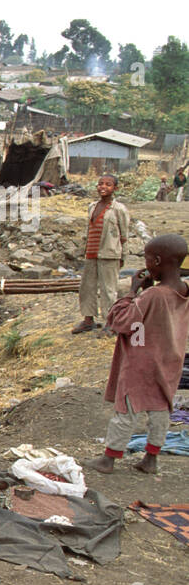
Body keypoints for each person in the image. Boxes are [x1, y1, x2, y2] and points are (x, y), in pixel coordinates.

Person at [88, 234, 189, 475]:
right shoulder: (184, 290)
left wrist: (132, 291)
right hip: (170, 360)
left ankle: (109, 459)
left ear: (155, 261)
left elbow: (122, 322)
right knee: (161, 407)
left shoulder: (153, 295)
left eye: (146, 258)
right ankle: (151, 458)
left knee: (127, 408)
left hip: (142, 361)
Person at [73, 174, 129, 335]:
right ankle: (88, 320)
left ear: (115, 188)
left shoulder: (119, 209)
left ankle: (110, 323)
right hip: (91, 253)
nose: (103, 187)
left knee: (108, 290)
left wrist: (123, 256)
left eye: (108, 184)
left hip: (109, 254)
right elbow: (89, 230)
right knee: (86, 287)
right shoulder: (92, 206)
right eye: (100, 184)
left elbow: (124, 236)